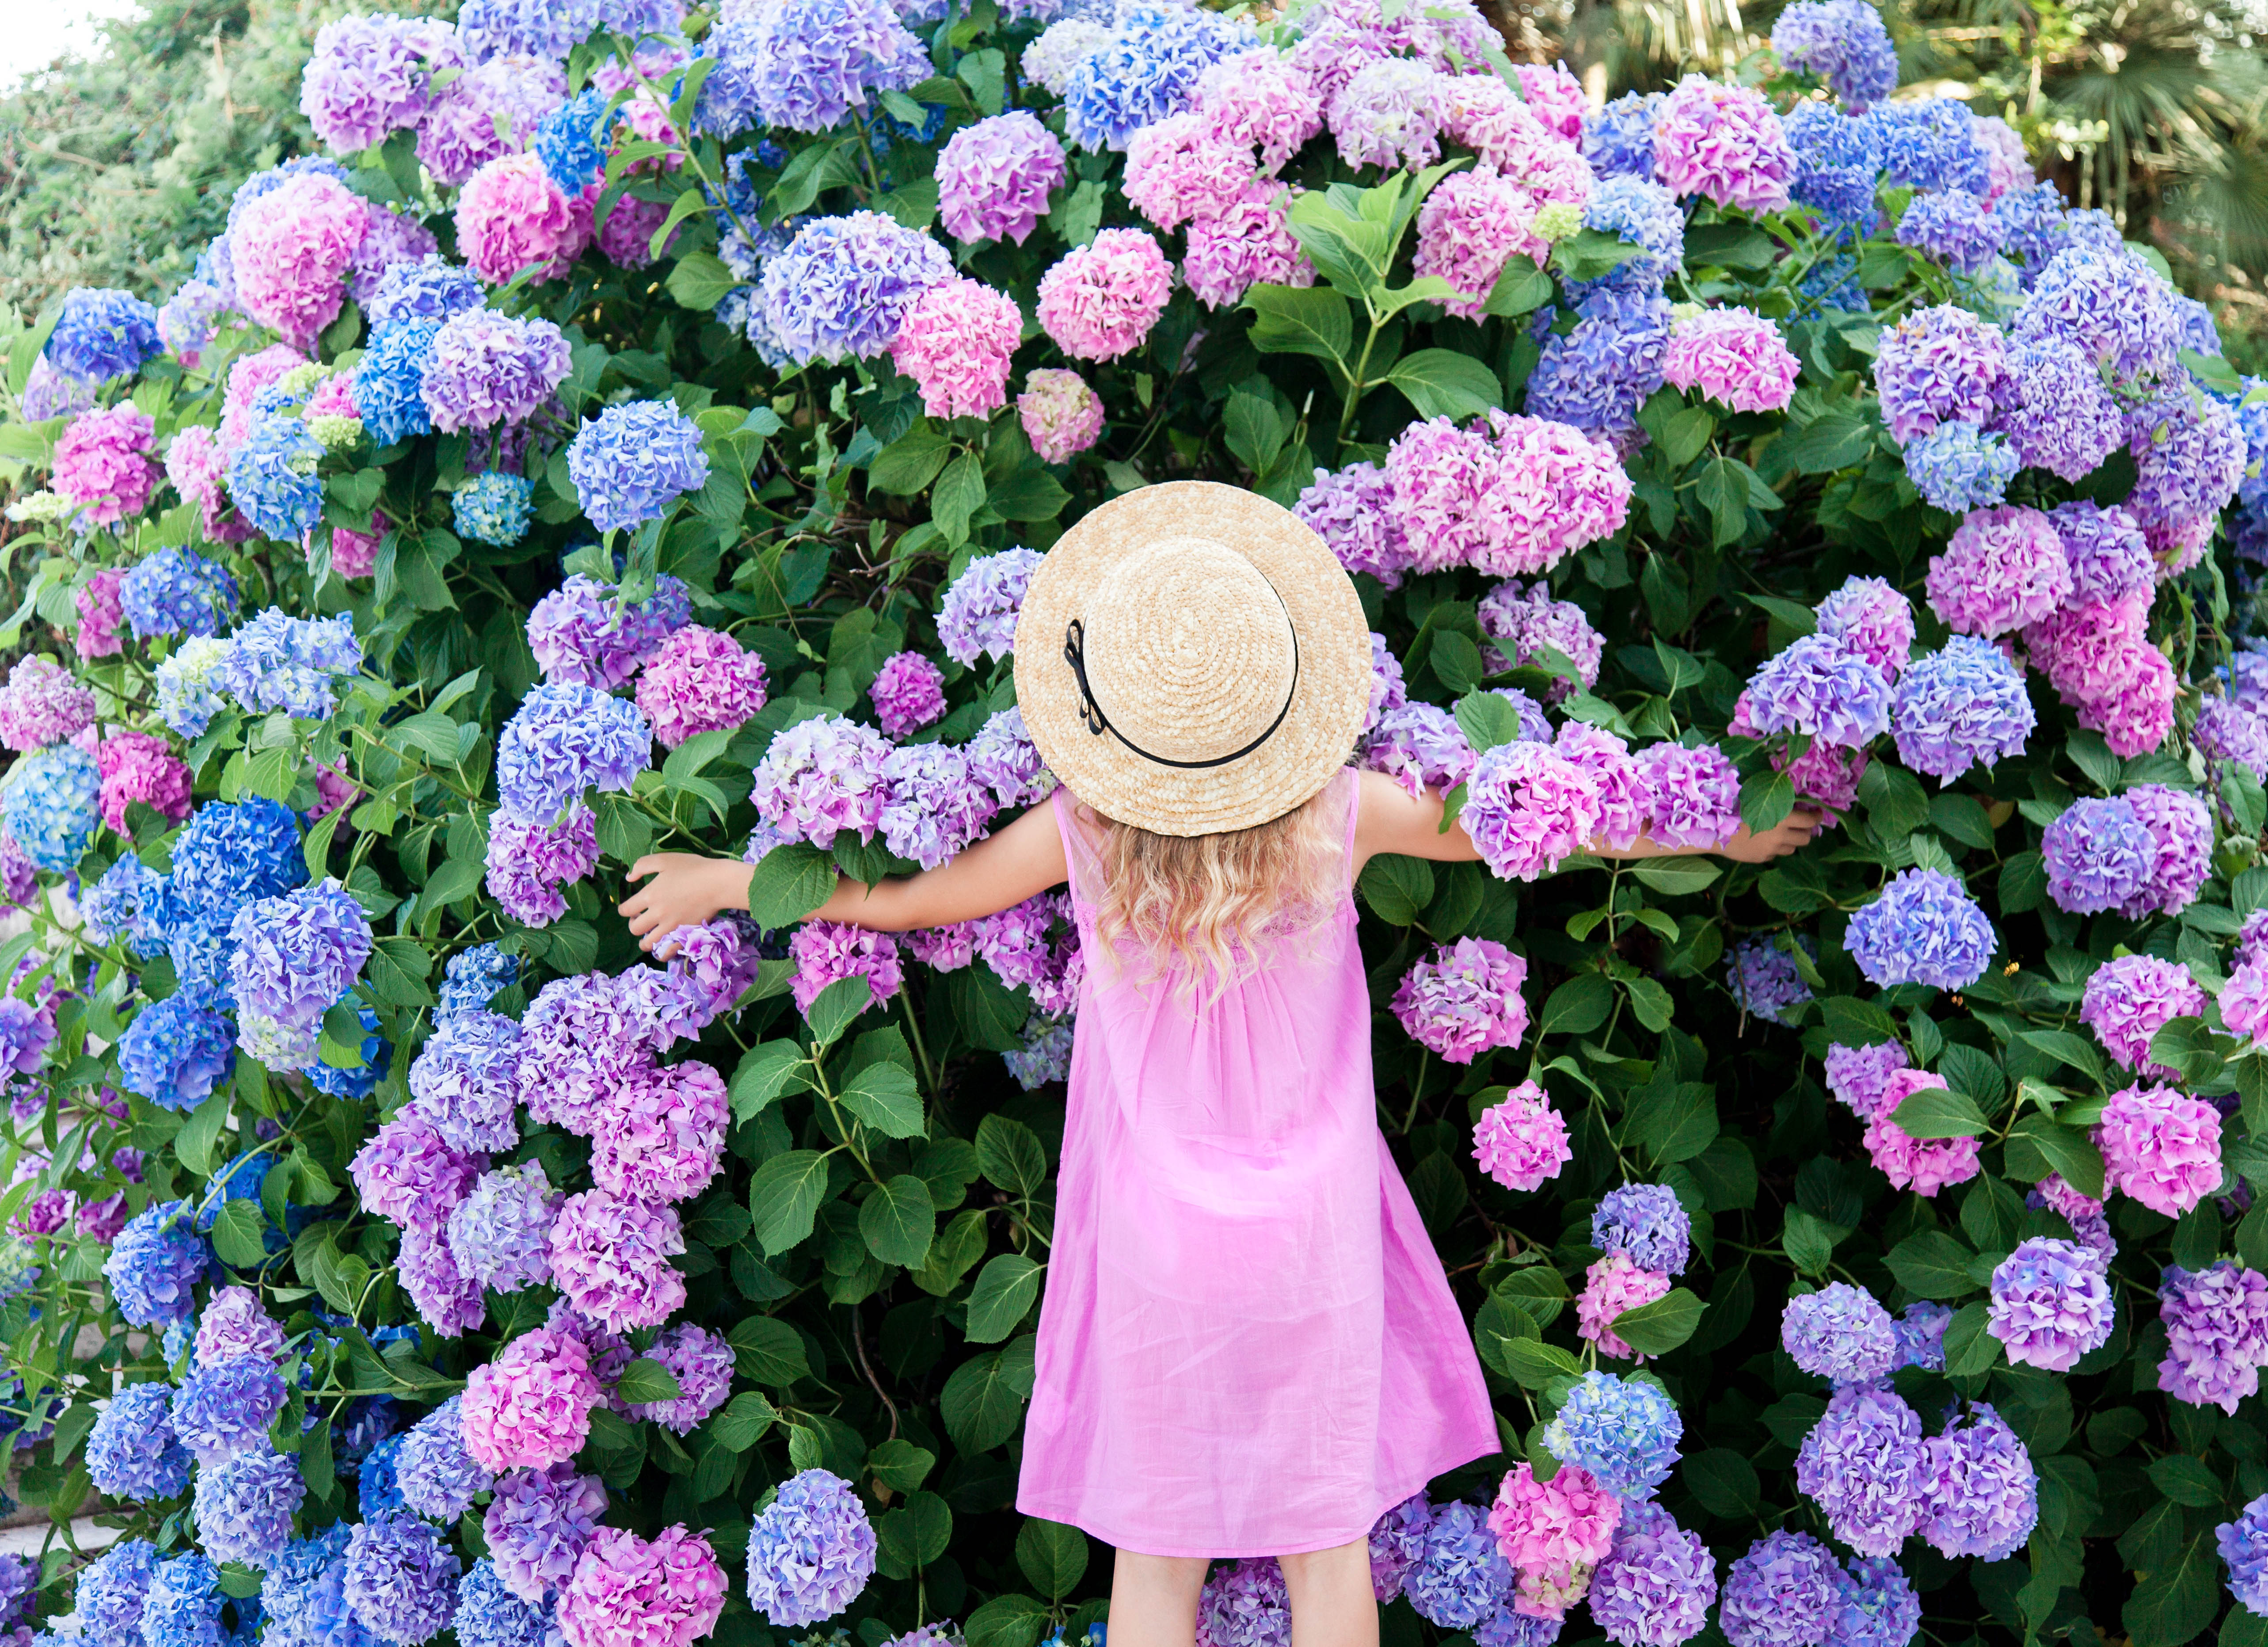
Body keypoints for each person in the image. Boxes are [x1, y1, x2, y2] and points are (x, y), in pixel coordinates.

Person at [620, 483, 1817, 1647]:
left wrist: (727, 880)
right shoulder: (1341, 815)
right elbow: (1531, 827)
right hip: (1314, 1228)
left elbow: (919, 900)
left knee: (1157, 1554)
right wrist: (1726, 823)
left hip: (1158, 1237)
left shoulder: (1084, 832)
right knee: (1327, 1549)